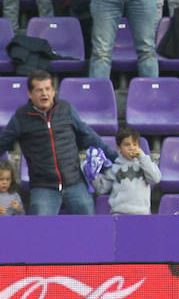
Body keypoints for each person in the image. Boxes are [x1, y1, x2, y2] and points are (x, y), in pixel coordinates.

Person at [0, 71, 116, 215]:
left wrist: (116, 158)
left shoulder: (66, 109)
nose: (45, 94)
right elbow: (2, 143)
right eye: (39, 90)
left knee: (89, 227)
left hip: (75, 183)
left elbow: (90, 137)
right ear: (30, 94)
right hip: (43, 187)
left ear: (53, 91)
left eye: (48, 89)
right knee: (41, 232)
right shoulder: (21, 117)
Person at [94, 126, 161, 215]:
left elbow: (155, 178)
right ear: (118, 148)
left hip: (142, 214)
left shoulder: (145, 165)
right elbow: (101, 189)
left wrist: (142, 157)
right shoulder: (114, 168)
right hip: (120, 214)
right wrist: (93, 175)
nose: (131, 148)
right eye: (127, 144)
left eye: (134, 144)